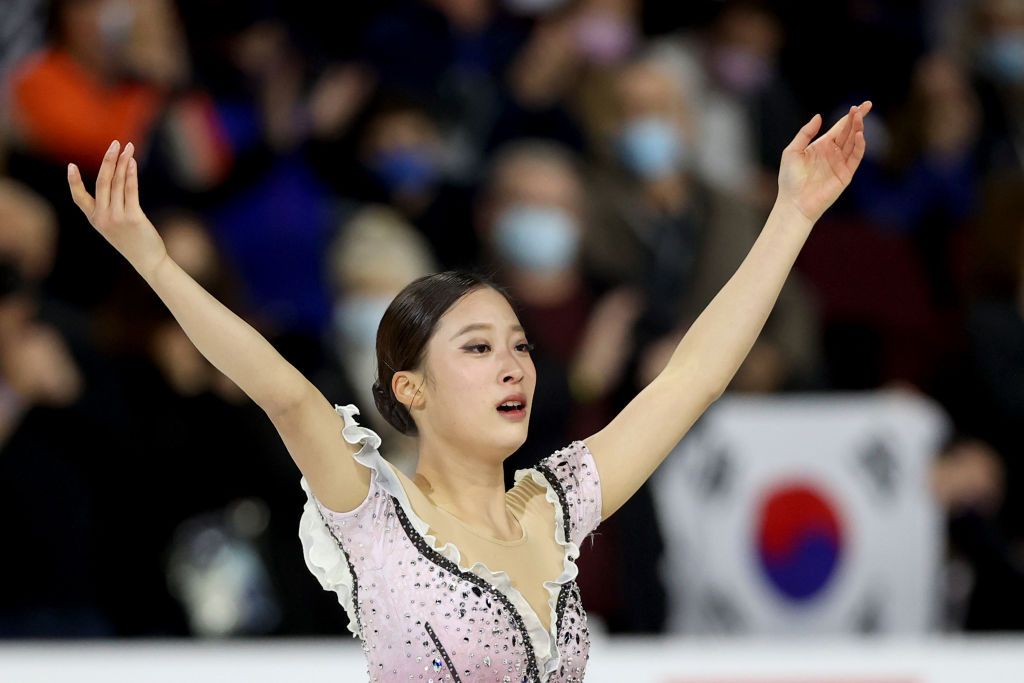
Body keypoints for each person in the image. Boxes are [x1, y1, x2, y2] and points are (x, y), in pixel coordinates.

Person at [65, 101, 870, 680]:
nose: (513, 364)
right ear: (409, 387)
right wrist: (155, 263)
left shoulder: (556, 505)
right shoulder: (373, 514)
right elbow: (282, 392)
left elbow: (691, 379)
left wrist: (791, 217)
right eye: (478, 347)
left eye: (518, 345)